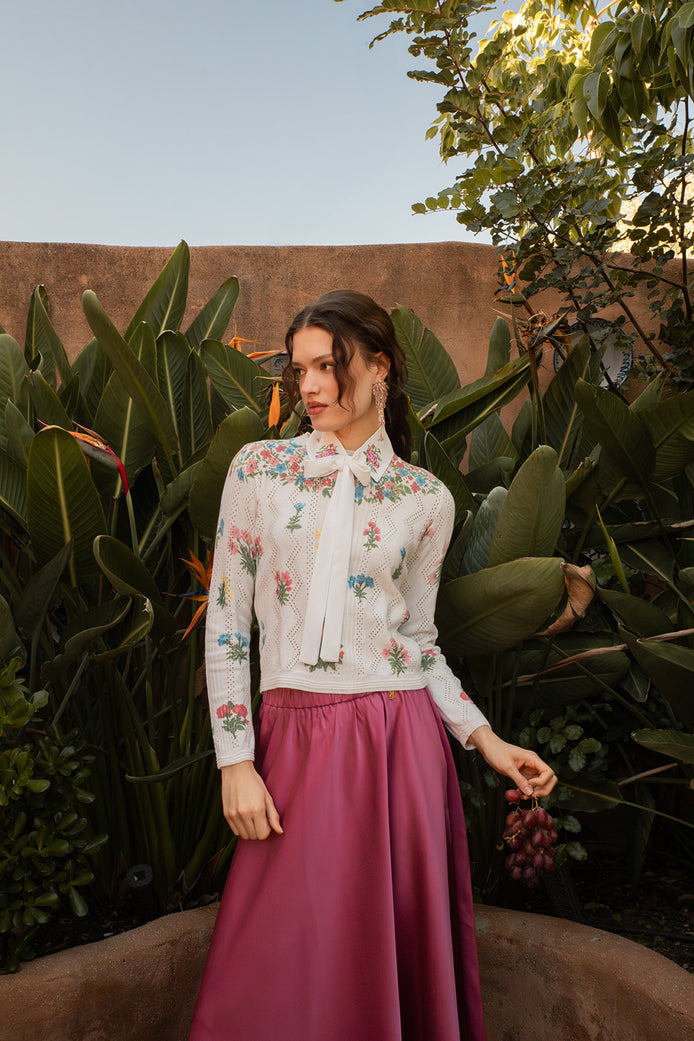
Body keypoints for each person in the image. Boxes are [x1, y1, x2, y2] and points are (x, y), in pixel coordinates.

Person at [189, 291, 556, 1041]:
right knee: (277, 950)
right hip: (292, 739)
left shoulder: (426, 499)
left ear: (381, 366)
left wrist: (486, 740)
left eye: (330, 365)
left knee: (383, 951)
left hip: (400, 746)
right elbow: (226, 621)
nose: (312, 386)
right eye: (301, 371)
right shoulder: (258, 469)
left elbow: (419, 644)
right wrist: (235, 759)